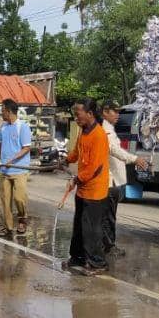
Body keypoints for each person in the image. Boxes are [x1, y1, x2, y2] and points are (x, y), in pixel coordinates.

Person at [66, 98, 110, 275]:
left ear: (90, 114)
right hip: (83, 189)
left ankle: (98, 263)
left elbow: (95, 167)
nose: (76, 118)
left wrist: (77, 179)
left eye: (78, 114)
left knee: (91, 228)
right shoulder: (83, 131)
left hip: (95, 190)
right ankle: (77, 257)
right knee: (79, 225)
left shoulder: (99, 135)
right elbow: (77, 152)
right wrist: (65, 159)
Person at [100, 101, 148, 257]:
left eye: (119, 112)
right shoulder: (105, 131)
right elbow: (114, 150)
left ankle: (106, 244)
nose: (118, 115)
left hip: (114, 179)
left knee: (109, 215)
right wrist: (135, 159)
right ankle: (108, 246)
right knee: (108, 216)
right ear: (105, 112)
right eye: (115, 111)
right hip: (110, 180)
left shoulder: (109, 130)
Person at [0, 98, 32, 237]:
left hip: (19, 170)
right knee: (5, 200)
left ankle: (22, 219)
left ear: (9, 111)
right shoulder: (3, 127)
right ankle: (8, 227)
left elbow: (26, 148)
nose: (1, 114)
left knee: (19, 198)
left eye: (2, 111)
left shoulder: (22, 127)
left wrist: (12, 159)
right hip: (4, 170)